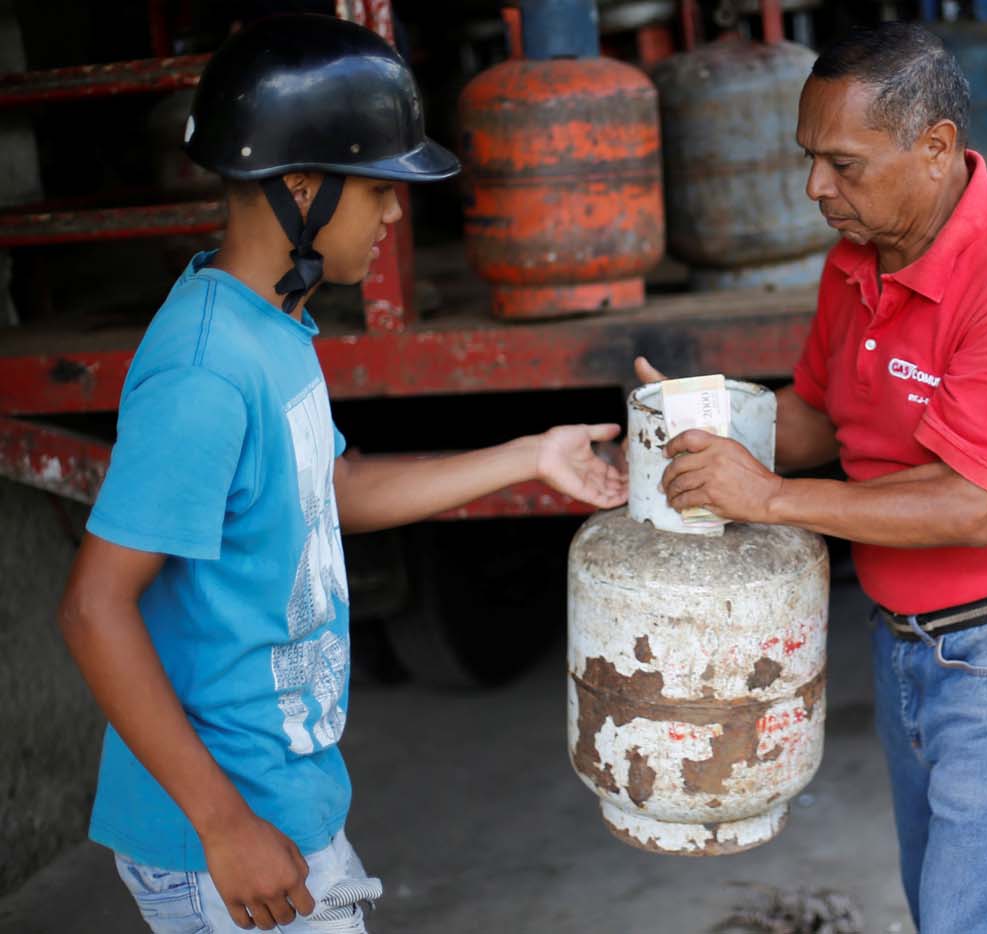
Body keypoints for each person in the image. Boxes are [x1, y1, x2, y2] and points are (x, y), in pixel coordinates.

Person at [57, 15, 625, 933]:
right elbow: (93, 607)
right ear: (301, 187)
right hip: (221, 831)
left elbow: (336, 489)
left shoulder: (273, 326)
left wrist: (529, 456)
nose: (397, 215)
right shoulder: (204, 371)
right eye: (379, 191)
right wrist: (224, 822)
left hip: (278, 796)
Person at [637, 22, 987, 934]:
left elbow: (970, 505)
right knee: (951, 910)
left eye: (844, 165)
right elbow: (824, 418)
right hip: (909, 645)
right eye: (809, 159)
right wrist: (701, 425)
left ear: (935, 148)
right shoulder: (856, 262)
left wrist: (768, 498)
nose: (817, 187)